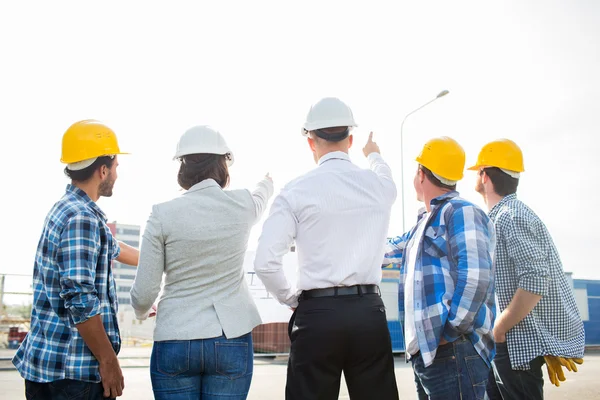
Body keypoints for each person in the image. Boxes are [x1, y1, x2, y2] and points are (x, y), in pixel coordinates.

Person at [254, 97, 399, 400]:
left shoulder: (294, 191)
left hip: (316, 315)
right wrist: (374, 155)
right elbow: (386, 176)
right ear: (350, 139)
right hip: (368, 313)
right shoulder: (379, 187)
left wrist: (294, 299)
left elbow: (266, 262)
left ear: (311, 142)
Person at [130, 125, 274, 400]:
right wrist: (266, 182)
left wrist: (140, 311)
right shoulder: (242, 204)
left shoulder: (162, 214)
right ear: (223, 166)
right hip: (229, 337)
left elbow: (145, 291)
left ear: (182, 168)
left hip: (175, 336)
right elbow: (260, 198)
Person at [12, 120, 140, 400]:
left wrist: (161, 259)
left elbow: (112, 246)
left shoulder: (68, 209)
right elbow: (80, 300)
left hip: (51, 368)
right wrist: (109, 361)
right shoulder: (82, 218)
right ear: (103, 169)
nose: (117, 174)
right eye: (116, 167)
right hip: (72, 376)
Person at [470, 139, 585, 399]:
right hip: (506, 343)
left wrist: (499, 328)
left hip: (513, 345)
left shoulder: (511, 216)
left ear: (485, 175)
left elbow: (535, 281)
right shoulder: (503, 216)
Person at [384, 136, 496, 400]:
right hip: (431, 353)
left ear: (421, 174)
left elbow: (476, 277)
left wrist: (449, 332)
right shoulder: (423, 224)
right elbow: (387, 250)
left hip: (453, 350)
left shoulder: (460, 211)